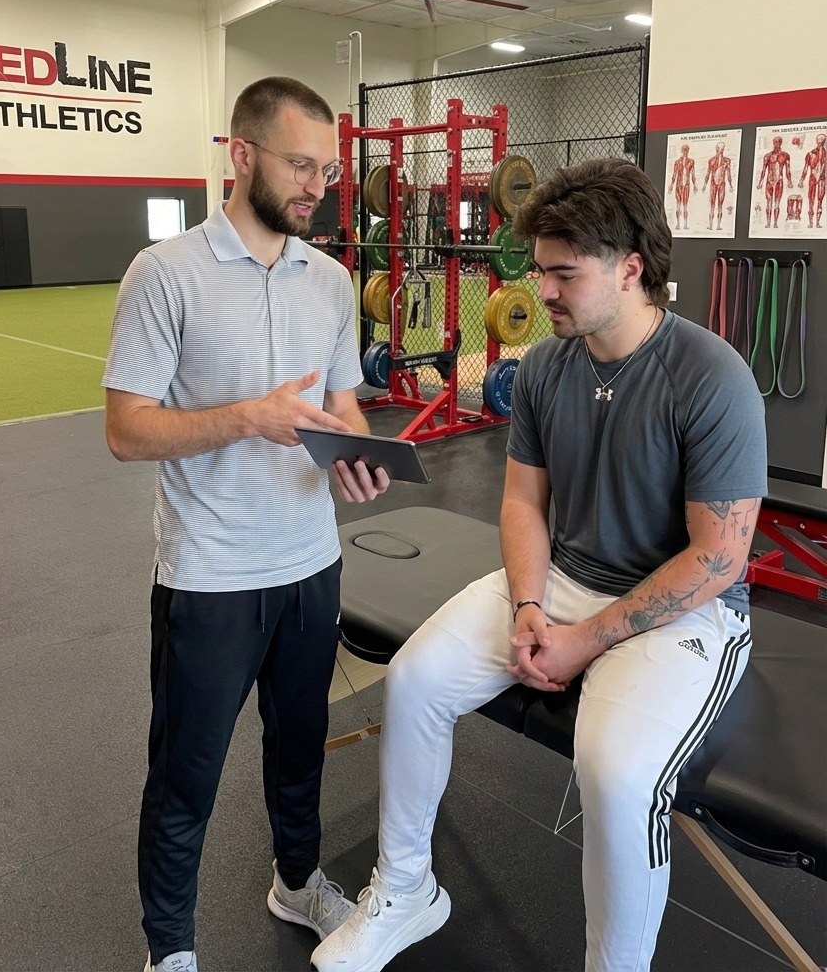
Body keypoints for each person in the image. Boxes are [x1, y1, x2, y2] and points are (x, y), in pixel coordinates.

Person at [312, 159, 766, 972]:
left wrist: (585, 640)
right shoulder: (549, 365)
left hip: (681, 609)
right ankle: (407, 892)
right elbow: (523, 502)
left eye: (565, 274)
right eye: (541, 271)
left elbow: (719, 556)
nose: (543, 292)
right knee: (413, 681)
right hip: (561, 580)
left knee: (616, 775)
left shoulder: (711, 376)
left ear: (630, 269)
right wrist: (529, 606)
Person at [102, 77, 388, 972]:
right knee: (186, 776)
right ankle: (170, 950)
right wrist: (247, 418)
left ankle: (296, 883)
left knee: (300, 752)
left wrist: (355, 451)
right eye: (301, 166)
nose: (317, 187)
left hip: (311, 563)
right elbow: (126, 430)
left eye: (328, 171)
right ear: (241, 155)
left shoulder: (331, 280)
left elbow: (344, 403)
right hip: (211, 572)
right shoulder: (165, 274)